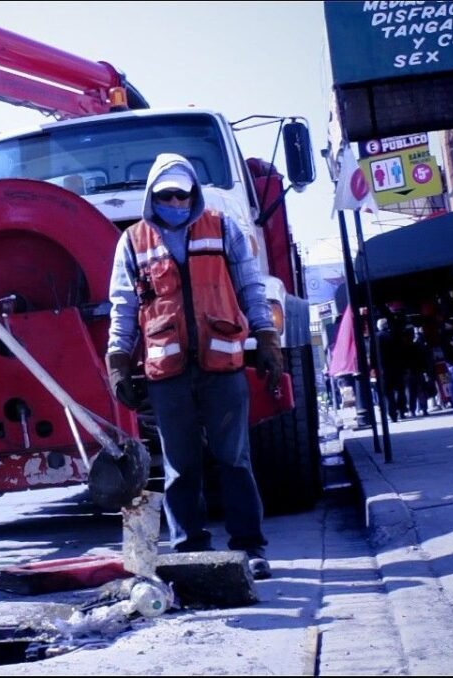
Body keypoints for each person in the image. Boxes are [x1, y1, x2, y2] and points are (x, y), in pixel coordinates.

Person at [104, 153, 283, 581]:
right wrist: (117, 359)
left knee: (234, 459)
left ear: (194, 195)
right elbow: (124, 306)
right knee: (180, 466)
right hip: (167, 371)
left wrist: (268, 337)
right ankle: (190, 551)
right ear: (152, 196)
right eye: (166, 195)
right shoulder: (132, 242)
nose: (176, 203)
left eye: (183, 196)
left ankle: (250, 547)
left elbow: (250, 285)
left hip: (222, 364)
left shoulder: (223, 228)